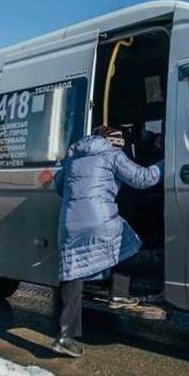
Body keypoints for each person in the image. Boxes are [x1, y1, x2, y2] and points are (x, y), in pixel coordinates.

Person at [52, 126, 163, 357]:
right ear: (112, 142)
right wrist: (168, 162)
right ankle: (119, 294)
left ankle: (64, 336)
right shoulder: (112, 156)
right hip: (99, 218)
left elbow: (59, 186)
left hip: (70, 222)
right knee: (127, 243)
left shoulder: (74, 158)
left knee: (73, 272)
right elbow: (143, 179)